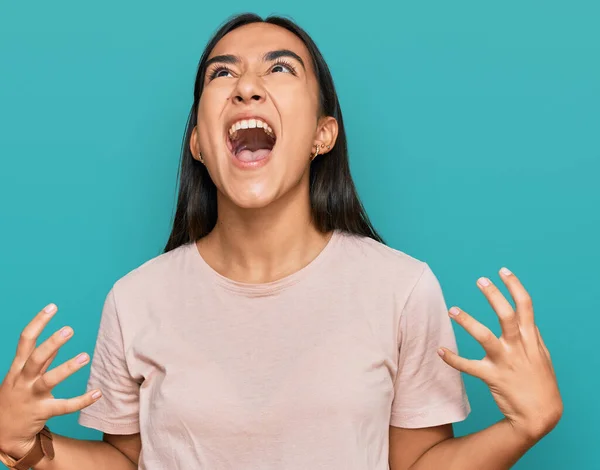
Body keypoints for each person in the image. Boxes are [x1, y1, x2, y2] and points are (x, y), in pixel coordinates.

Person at [0, 13, 562, 470]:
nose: (246, 86)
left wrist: (523, 429)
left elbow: (415, 466)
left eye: (279, 69)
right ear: (198, 142)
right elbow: (125, 465)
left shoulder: (402, 289)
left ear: (323, 134)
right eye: (222, 74)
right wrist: (21, 446)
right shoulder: (135, 298)